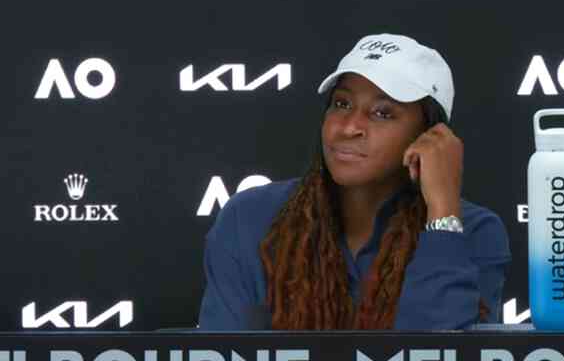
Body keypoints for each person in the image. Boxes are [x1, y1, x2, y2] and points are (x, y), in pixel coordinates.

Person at [197, 33, 512, 330]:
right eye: (342, 104)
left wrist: (442, 215)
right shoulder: (249, 217)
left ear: (430, 136)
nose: (348, 128)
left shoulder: (474, 230)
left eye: (382, 113)